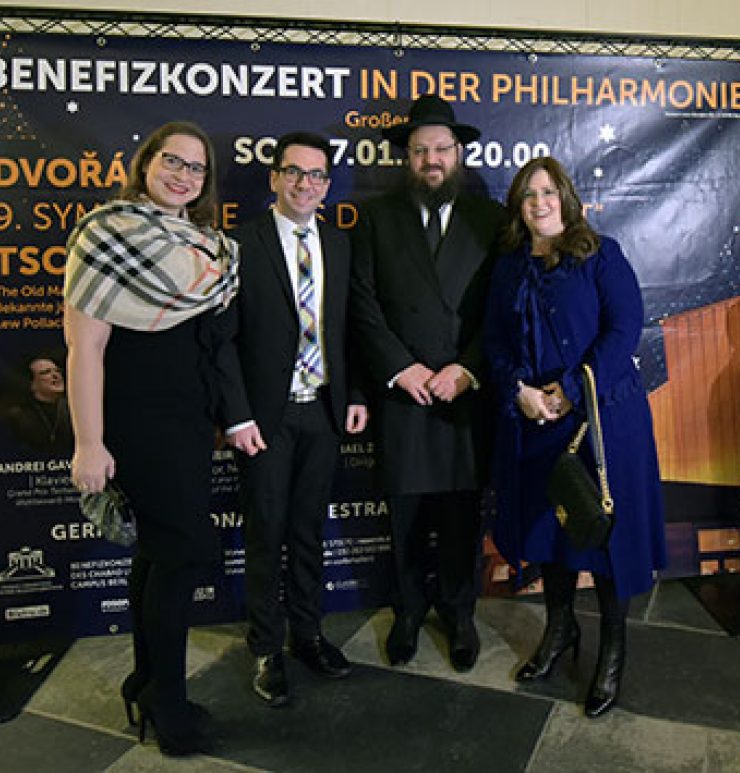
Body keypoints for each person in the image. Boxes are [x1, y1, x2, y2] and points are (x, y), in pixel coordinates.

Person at [64, 121, 239, 756]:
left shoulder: (212, 248)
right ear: (145, 164)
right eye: (173, 161)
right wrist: (89, 443)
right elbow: (84, 347)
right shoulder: (106, 235)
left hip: (189, 420)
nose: (183, 175)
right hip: (137, 421)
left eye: (196, 167)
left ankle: (147, 682)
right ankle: (167, 701)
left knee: (161, 554)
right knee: (180, 554)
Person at [483, 156, 667, 718]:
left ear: (566, 198)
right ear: (519, 207)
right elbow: (493, 342)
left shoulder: (601, 255)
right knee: (551, 535)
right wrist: (518, 391)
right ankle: (560, 629)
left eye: (548, 192)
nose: (539, 203)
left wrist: (568, 390)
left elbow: (624, 330)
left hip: (604, 419)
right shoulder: (509, 267)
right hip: (537, 422)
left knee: (606, 536)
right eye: (528, 195)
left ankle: (613, 650)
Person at [350, 95, 504, 672]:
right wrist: (401, 367)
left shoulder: (492, 220)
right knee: (406, 515)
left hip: (464, 394)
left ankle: (460, 613)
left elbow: (501, 308)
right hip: (405, 394)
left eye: (441, 149)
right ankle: (410, 610)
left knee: (463, 515)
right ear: (406, 158)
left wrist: (467, 368)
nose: (431, 160)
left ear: (458, 154)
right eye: (420, 151)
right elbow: (362, 305)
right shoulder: (376, 218)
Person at [217, 131, 369, 706]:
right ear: (274, 178)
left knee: (308, 530)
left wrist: (356, 395)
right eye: (294, 172)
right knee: (266, 531)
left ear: (327, 186)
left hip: (324, 412)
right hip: (265, 419)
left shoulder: (341, 244)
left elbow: (352, 327)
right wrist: (236, 416)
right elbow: (222, 341)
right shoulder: (239, 243)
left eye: (316, 175)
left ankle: (307, 635)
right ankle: (265, 648)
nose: (305, 184)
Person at [3, 355, 73, 455]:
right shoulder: (18, 416)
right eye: (46, 372)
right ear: (32, 384)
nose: (56, 376)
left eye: (58, 371)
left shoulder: (75, 410)